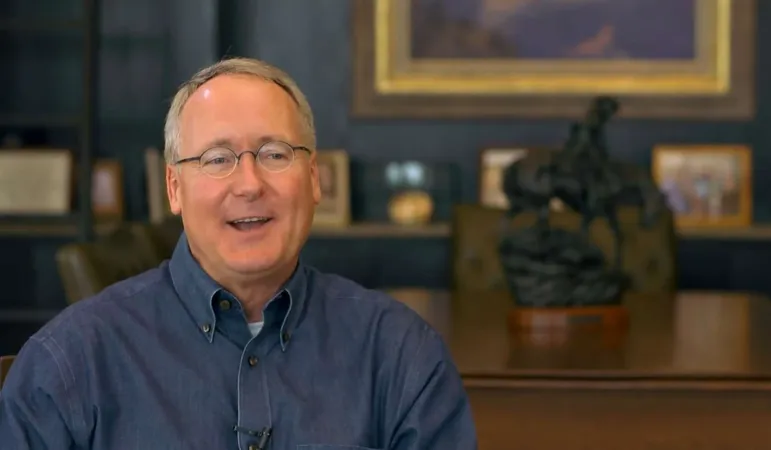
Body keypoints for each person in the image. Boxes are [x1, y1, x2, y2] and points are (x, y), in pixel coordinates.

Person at [0, 57, 477, 449]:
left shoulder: (402, 356)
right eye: (217, 159)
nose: (249, 184)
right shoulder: (67, 363)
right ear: (174, 188)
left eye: (275, 154)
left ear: (314, 179)